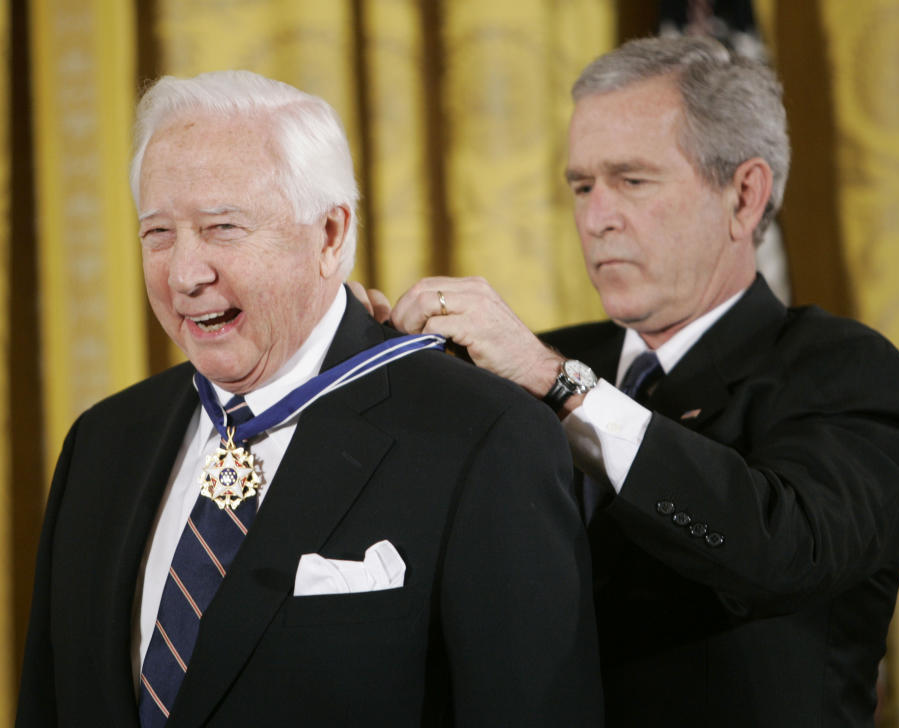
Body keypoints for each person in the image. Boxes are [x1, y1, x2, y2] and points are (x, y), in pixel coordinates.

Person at [16, 70, 603, 727]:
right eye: (158, 234)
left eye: (222, 228)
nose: (185, 274)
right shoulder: (102, 442)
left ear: (329, 235)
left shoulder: (482, 438)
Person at [385, 36, 899, 726]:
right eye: (582, 186)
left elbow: (780, 550)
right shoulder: (538, 363)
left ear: (743, 194)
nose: (596, 216)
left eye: (632, 181)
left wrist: (559, 387)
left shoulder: (842, 369)